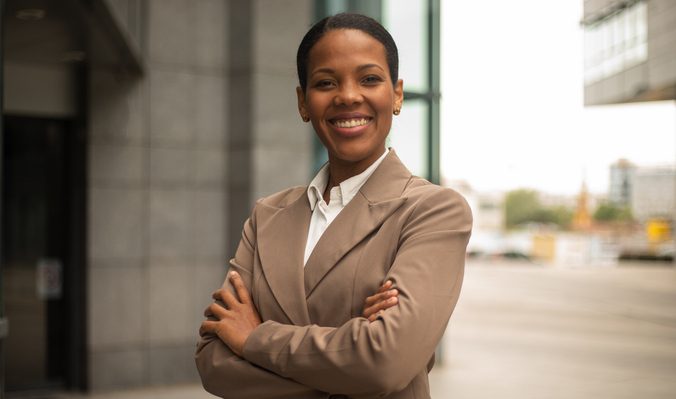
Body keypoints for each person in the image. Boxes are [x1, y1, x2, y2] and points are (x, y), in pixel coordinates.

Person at [195, 13, 472, 399]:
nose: (347, 96)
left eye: (370, 79)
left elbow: (385, 363)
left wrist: (255, 338)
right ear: (303, 102)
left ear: (397, 94)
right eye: (325, 83)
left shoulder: (433, 211)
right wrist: (348, 359)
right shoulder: (267, 216)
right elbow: (213, 362)